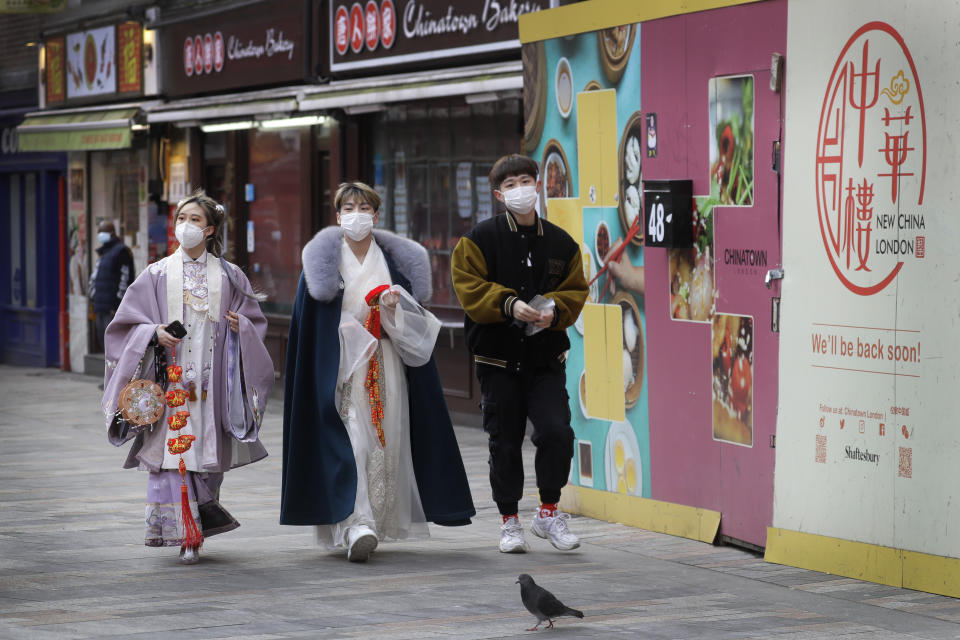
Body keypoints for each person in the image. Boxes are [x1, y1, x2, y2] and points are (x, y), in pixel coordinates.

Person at [281, 181, 475, 562]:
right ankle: (355, 522)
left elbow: (412, 322)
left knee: (385, 442)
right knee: (351, 440)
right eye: (349, 207)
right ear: (337, 217)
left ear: (376, 214)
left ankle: (373, 521)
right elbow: (311, 328)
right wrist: (347, 332)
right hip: (340, 368)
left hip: (386, 364)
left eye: (364, 207)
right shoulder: (321, 264)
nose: (357, 214)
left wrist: (391, 307)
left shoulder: (395, 260)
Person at [101, 190, 273, 565]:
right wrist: (153, 332)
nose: (186, 226)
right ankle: (182, 532)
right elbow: (125, 324)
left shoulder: (231, 275)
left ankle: (198, 529)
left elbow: (255, 324)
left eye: (195, 220)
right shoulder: (157, 273)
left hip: (213, 384)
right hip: (171, 381)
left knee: (207, 454)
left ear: (210, 229)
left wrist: (240, 326)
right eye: (182, 219)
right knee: (171, 455)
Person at [451, 154, 588, 554]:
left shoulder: (562, 242)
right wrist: (508, 304)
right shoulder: (478, 240)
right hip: (498, 362)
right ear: (498, 194)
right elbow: (468, 287)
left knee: (557, 432)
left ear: (539, 185)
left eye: (526, 181)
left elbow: (576, 290)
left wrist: (555, 311)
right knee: (504, 442)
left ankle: (548, 511)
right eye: (510, 185)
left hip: (545, 359)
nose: (520, 190)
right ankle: (509, 520)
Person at [89, 221, 134, 352]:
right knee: (104, 343)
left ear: (112, 233)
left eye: (102, 232)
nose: (99, 235)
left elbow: (125, 280)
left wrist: (118, 305)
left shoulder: (122, 251)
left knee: (115, 345)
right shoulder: (104, 253)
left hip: (112, 309)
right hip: (100, 306)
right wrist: (93, 297)